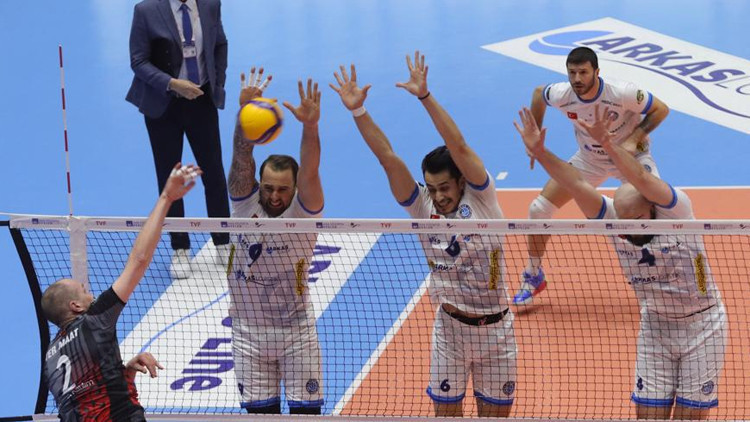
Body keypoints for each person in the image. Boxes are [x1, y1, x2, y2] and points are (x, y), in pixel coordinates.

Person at [330, 52, 516, 417]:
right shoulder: (422, 206)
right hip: (449, 331)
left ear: (461, 182)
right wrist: (358, 111)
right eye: (432, 188)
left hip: (497, 332)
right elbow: (387, 157)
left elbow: (459, 146)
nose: (439, 196)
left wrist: (425, 97)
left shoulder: (481, 197)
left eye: (445, 187)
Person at [514, 105, 727, 420]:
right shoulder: (615, 222)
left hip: (703, 324)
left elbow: (640, 176)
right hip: (656, 325)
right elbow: (576, 183)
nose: (629, 230)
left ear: (651, 209)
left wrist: (608, 145)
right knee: (647, 414)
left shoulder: (677, 210)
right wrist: (541, 152)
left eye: (636, 220)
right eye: (624, 223)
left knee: (690, 416)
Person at [41, 164, 200, 421]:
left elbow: (84, 398)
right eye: (84, 290)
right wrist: (167, 197)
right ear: (75, 306)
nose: (90, 292)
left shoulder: (50, 359)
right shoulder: (94, 320)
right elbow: (139, 260)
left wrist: (126, 371)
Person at [513, 46, 670, 306]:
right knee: (538, 209)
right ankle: (533, 275)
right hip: (589, 160)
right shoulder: (563, 94)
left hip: (631, 160)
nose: (577, 79)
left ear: (597, 72)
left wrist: (635, 138)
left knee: (657, 215)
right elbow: (539, 93)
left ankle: (665, 278)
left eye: (583, 72)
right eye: (572, 72)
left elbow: (661, 109)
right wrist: (535, 135)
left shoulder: (622, 93)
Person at [227, 68, 325, 414]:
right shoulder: (244, 203)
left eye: (283, 189)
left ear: (295, 189)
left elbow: (310, 170)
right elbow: (242, 159)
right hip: (247, 331)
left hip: (295, 331)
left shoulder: (304, 211)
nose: (274, 195)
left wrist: (310, 127)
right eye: (268, 187)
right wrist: (244, 114)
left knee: (306, 418)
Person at [126, 0, 231, 280]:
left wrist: (217, 82)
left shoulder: (210, 4)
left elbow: (220, 44)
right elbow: (138, 61)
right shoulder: (146, 11)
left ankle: (223, 241)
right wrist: (172, 83)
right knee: (170, 177)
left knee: (214, 173)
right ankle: (180, 248)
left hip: (201, 101)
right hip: (164, 105)